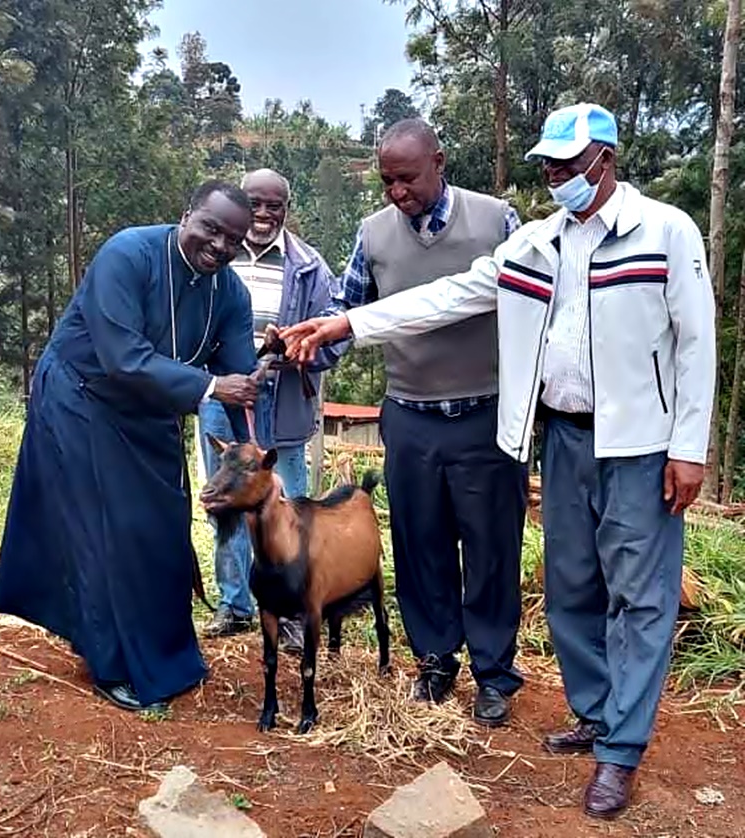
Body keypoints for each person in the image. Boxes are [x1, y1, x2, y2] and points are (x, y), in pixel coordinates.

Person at [282, 103, 715, 820]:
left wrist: (689, 450)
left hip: (640, 444)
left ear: (604, 161)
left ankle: (621, 750)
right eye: (547, 165)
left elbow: (696, 344)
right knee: (573, 583)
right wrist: (348, 323)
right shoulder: (538, 243)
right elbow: (447, 296)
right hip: (566, 438)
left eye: (566, 165)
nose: (554, 176)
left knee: (638, 595)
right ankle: (595, 712)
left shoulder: (665, 232)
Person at [0, 181, 261, 713]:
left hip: (151, 409)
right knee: (103, 531)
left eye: (233, 239)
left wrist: (250, 437)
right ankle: (112, 665)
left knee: (161, 527)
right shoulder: (128, 253)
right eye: (211, 228)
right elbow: (122, 357)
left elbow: (237, 373)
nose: (219, 245)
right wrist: (209, 387)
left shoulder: (231, 293)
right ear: (186, 216)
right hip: (82, 396)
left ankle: (167, 655)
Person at [320, 118, 528, 727]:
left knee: (492, 550)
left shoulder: (496, 220)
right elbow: (346, 307)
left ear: (439, 162)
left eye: (407, 178)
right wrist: (310, 344)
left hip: (486, 415)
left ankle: (494, 674)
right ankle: (435, 662)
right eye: (386, 180)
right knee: (419, 545)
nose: (396, 192)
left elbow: (530, 305)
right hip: (409, 416)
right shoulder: (374, 234)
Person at [199, 168, 345, 653]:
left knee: (290, 509)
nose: (263, 214)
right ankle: (235, 605)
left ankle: (295, 611)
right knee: (226, 505)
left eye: (273, 205)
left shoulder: (308, 265)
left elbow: (332, 340)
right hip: (225, 403)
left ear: (287, 207)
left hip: (282, 405)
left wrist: (296, 349)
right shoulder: (220, 250)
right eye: (255, 203)